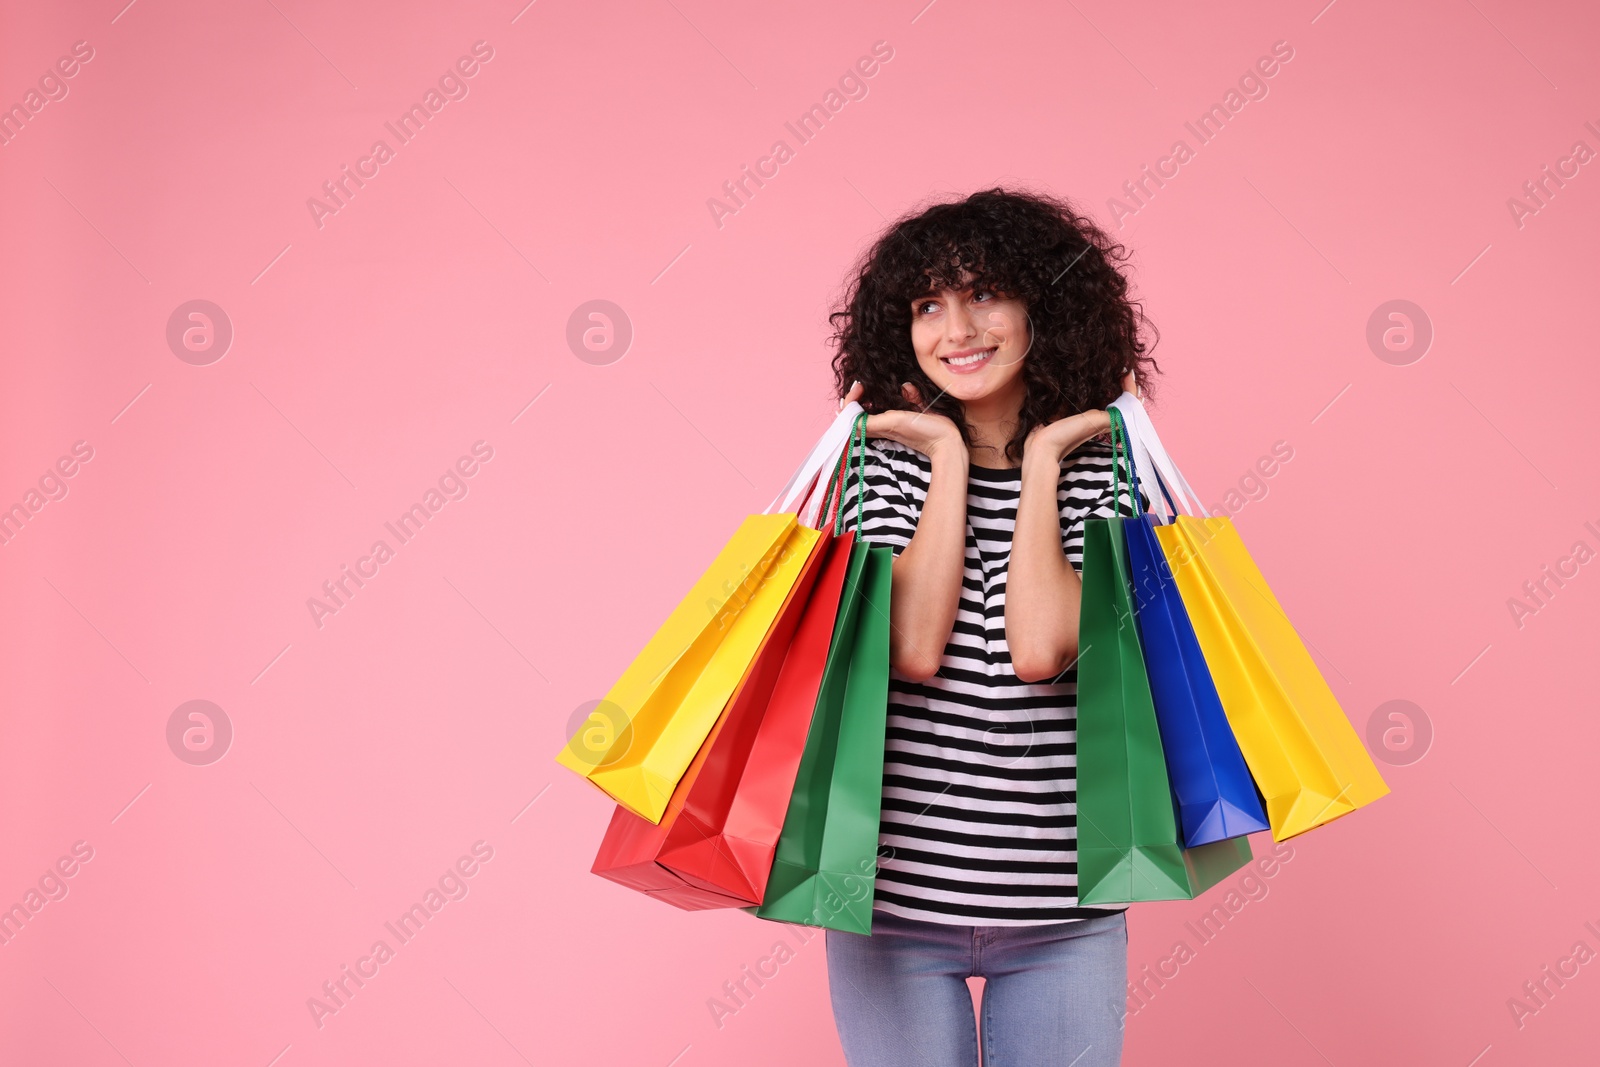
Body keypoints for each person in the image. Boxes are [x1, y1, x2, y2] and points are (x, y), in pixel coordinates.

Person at [825, 186, 1159, 1067]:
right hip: (891, 908)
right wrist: (942, 458)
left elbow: (1043, 648)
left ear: (1041, 306)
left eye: (984, 294)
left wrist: (1043, 459)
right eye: (928, 303)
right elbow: (911, 647)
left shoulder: (1107, 464)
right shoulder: (880, 462)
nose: (957, 328)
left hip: (1063, 911)